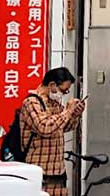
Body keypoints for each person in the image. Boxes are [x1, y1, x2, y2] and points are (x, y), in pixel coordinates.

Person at [20, 67, 85, 196]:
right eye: (63, 90)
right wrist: (68, 111)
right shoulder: (31, 103)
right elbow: (45, 128)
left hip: (58, 172)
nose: (64, 94)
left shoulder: (54, 104)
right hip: (39, 173)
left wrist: (75, 115)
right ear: (52, 85)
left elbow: (63, 127)